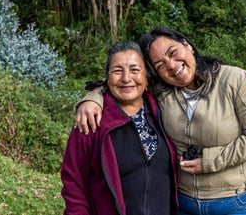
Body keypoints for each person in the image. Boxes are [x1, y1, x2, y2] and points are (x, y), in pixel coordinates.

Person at [74, 27, 246, 215]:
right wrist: (93, 98)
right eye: (160, 65)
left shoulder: (236, 80)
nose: (171, 65)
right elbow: (126, 82)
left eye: (172, 52)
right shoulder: (161, 93)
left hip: (235, 200)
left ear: (187, 45)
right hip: (183, 202)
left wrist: (210, 161)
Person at [61, 41, 178, 215]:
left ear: (146, 76)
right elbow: (74, 182)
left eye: (134, 70)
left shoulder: (162, 110)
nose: (126, 78)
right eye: (117, 71)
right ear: (107, 78)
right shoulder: (91, 121)